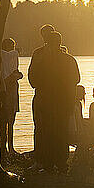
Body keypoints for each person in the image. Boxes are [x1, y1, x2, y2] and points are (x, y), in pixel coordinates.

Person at [29, 31, 80, 172]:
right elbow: (76, 79)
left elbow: (32, 80)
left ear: (48, 43)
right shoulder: (69, 60)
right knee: (61, 132)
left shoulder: (41, 60)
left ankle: (48, 163)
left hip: (45, 102)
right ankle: (61, 162)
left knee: (46, 132)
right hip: (62, 102)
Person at [28, 24, 56, 167]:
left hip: (53, 96)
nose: (45, 37)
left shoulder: (59, 53)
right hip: (43, 94)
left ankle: (49, 158)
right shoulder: (38, 53)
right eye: (44, 35)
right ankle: (40, 157)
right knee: (40, 126)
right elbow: (31, 74)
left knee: (51, 127)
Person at [0, 38, 23, 162]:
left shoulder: (7, 60)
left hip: (12, 94)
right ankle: (5, 150)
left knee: (9, 122)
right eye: (11, 46)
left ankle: (10, 148)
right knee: (4, 123)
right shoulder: (5, 56)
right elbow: (11, 55)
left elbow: (17, 73)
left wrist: (17, 75)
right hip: (6, 94)